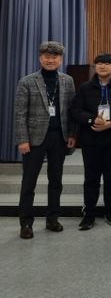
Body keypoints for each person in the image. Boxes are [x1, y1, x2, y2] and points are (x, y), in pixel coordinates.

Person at [15, 41, 76, 239]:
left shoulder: (67, 80)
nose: (50, 60)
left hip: (59, 137)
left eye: (54, 57)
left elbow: (71, 110)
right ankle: (26, 223)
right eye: (47, 57)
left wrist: (72, 134)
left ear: (61, 59)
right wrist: (22, 139)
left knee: (56, 181)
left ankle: (52, 218)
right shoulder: (27, 81)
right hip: (34, 139)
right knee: (29, 182)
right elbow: (20, 113)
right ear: (40, 58)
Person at [70, 53, 111, 230]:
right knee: (91, 178)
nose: (102, 66)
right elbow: (75, 110)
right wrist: (91, 120)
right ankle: (89, 214)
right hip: (91, 139)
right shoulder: (85, 87)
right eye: (99, 63)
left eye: (106, 63)